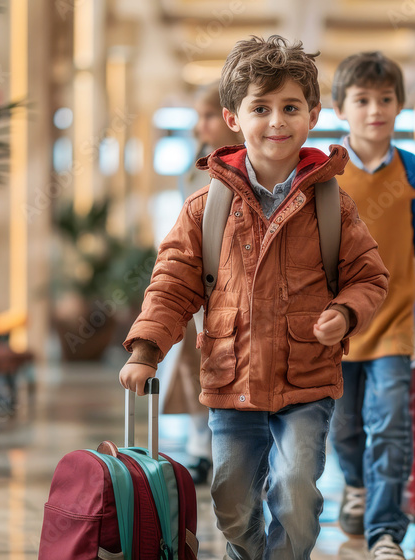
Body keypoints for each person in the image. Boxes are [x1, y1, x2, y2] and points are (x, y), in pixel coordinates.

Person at [120, 35, 389, 559]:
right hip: (231, 379)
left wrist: (345, 311)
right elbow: (172, 283)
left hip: (306, 379)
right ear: (233, 118)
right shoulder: (205, 209)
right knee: (231, 502)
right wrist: (146, 351)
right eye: (260, 108)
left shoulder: (332, 205)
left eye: (291, 108)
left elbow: (368, 276)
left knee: (295, 489)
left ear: (313, 115)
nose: (276, 121)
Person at [327, 51, 415, 559]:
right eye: (362, 100)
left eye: (385, 99)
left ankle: (385, 532)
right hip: (335, 326)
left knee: (391, 424)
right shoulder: (325, 174)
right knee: (344, 425)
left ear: (400, 105)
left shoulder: (414, 172)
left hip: (397, 323)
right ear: (340, 109)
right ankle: (356, 483)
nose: (375, 110)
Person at [152, 83, 245, 486]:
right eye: (198, 116)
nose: (200, 125)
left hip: (235, 279)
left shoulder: (251, 166)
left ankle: (227, 448)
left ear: (230, 118)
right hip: (199, 277)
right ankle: (200, 445)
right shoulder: (193, 169)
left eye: (207, 115)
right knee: (194, 364)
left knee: (231, 364)